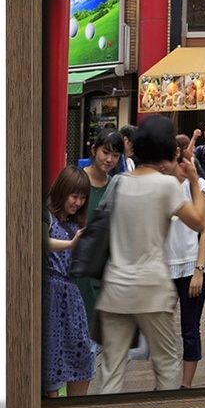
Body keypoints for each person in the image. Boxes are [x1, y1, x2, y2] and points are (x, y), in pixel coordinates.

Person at [94, 115, 205, 393]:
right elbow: (198, 222)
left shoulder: (119, 182)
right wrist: (194, 180)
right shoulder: (165, 186)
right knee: (166, 364)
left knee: (111, 370)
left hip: (115, 287)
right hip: (152, 288)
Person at [162, 134, 205, 388]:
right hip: (165, 266)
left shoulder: (198, 184)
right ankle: (165, 382)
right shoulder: (161, 187)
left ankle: (185, 386)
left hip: (193, 263)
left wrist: (199, 270)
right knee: (160, 329)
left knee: (189, 328)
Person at [42, 165, 94, 398]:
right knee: (50, 356)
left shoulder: (76, 224)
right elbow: (41, 242)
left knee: (82, 354)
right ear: (62, 191)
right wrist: (72, 244)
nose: (78, 203)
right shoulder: (46, 217)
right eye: (74, 196)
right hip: (50, 294)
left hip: (72, 296)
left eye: (83, 198)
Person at [76, 127, 125, 334]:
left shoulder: (116, 187)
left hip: (102, 272)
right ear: (94, 149)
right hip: (75, 268)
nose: (109, 159)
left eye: (115, 155)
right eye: (105, 152)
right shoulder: (76, 180)